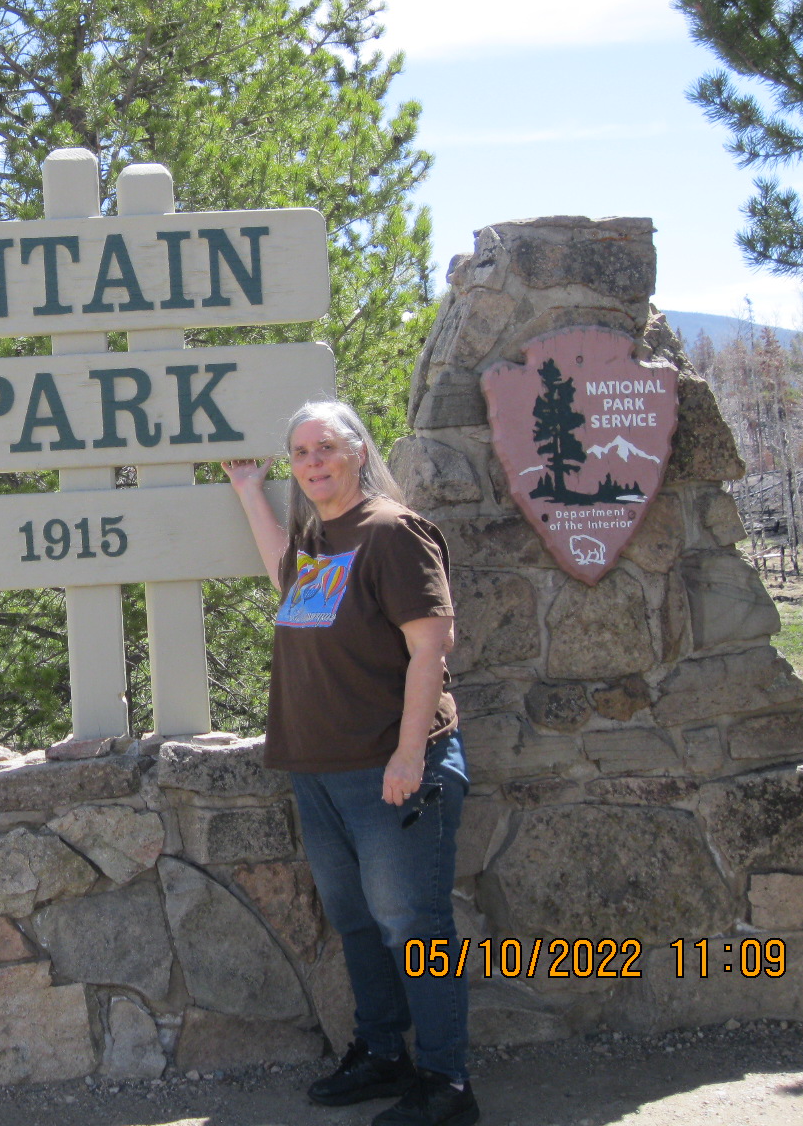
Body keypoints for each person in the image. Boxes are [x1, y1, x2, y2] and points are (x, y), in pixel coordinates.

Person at [224, 400, 476, 1126]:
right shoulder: (319, 536)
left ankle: (447, 1083)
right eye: (300, 453)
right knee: (358, 921)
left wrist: (408, 753)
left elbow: (432, 646)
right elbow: (288, 582)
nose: (312, 464)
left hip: (390, 768)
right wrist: (248, 490)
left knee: (414, 924)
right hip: (321, 769)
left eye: (326, 448)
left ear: (358, 451)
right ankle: (382, 1053)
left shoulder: (394, 533)